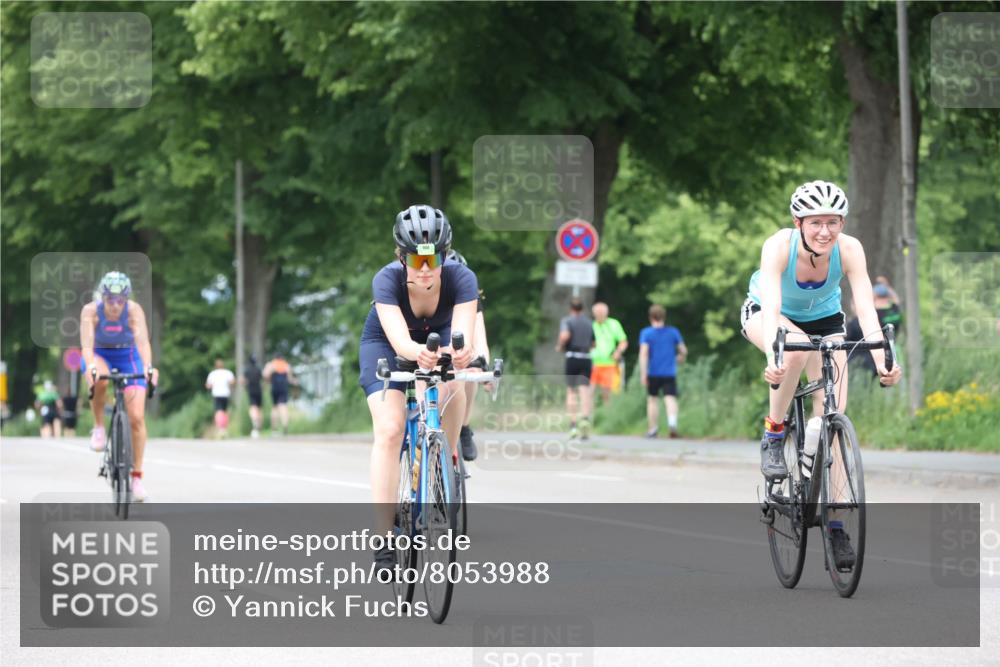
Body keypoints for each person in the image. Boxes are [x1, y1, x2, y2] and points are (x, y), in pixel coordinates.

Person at [739, 180, 902, 569]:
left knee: (833, 421)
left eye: (833, 221)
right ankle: (774, 432)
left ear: (842, 223)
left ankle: (834, 524)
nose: (825, 231)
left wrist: (883, 359)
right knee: (795, 354)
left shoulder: (850, 250)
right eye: (816, 223)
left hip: (826, 319)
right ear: (798, 222)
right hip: (769, 313)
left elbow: (865, 308)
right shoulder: (778, 245)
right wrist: (777, 352)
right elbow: (774, 303)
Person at [359, 204, 477, 573]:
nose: (425, 269)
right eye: (415, 259)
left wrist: (461, 354)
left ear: (445, 255)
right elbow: (399, 342)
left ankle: (444, 463)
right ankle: (383, 539)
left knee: (454, 384)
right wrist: (419, 355)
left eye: (433, 258)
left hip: (437, 343)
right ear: (401, 256)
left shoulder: (462, 279)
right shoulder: (386, 280)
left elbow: (462, 335)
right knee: (391, 429)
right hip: (388, 346)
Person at [80, 271, 159, 501]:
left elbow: (143, 342)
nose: (115, 305)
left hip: (128, 355)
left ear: (126, 298)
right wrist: (91, 366)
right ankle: (99, 427)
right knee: (99, 378)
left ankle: (136, 478)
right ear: (102, 297)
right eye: (110, 299)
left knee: (136, 418)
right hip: (100, 354)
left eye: (119, 300)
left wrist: (148, 367)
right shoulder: (91, 311)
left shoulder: (134, 311)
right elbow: (86, 346)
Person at [447, 249, 489, 461]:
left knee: (471, 367)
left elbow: (478, 336)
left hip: (457, 349)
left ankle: (463, 425)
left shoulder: (468, 295)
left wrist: (484, 367)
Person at [639, 305, 688, 439]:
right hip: (669, 372)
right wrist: (680, 358)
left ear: (650, 317)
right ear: (664, 317)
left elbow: (643, 354)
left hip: (653, 372)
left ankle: (653, 429)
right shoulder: (673, 332)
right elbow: (683, 350)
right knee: (670, 398)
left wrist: (643, 373)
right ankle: (672, 424)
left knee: (652, 400)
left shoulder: (646, 333)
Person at [845, 280, 903, 376]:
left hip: (859, 364)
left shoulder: (866, 320)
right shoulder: (893, 313)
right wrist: (887, 287)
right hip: (883, 359)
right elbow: (896, 302)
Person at [556, 297, 594, 440]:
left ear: (571, 309)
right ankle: (584, 419)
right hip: (586, 357)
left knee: (571, 391)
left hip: (572, 357)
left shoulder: (567, 321)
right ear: (582, 309)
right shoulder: (589, 323)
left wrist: (560, 345)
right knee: (585, 390)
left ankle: (573, 424)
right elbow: (593, 343)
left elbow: (565, 335)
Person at [590, 302, 627, 405]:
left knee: (608, 393)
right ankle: (588, 416)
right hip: (594, 363)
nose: (600, 316)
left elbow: (623, 341)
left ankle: (608, 415)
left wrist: (618, 351)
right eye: (598, 314)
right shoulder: (591, 325)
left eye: (602, 314)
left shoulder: (614, 324)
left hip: (610, 363)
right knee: (590, 391)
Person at [263, 355, 297, 434]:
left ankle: (274, 429)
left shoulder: (271, 364)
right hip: (283, 388)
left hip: (275, 387)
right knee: (283, 406)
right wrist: (295, 382)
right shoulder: (286, 365)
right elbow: (290, 379)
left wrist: (268, 381)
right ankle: (285, 425)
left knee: (275, 408)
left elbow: (265, 375)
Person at [205, 358, 235, 438]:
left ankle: (220, 428)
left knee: (218, 411)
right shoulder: (227, 373)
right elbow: (232, 382)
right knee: (225, 411)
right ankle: (224, 429)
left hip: (217, 394)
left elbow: (208, 385)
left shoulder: (213, 374)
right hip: (225, 394)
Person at [243, 354, 264, 438]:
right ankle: (259, 426)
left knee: (253, 407)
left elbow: (243, 380)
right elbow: (263, 379)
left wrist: (245, 386)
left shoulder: (247, 370)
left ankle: (255, 423)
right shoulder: (258, 369)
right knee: (259, 408)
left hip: (251, 390)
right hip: (259, 390)